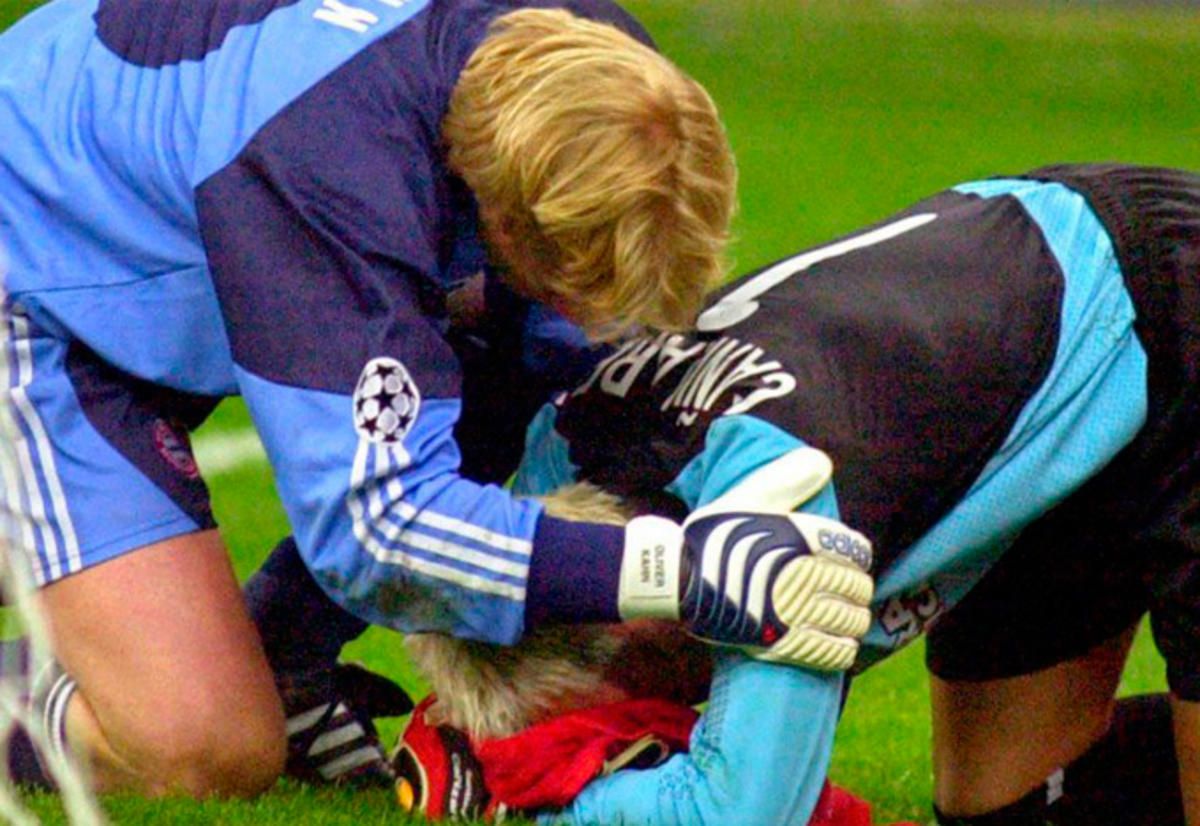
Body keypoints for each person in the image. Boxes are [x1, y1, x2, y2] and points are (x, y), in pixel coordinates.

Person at [0, 0, 876, 799]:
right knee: (206, 743)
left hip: (134, 223)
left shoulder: (599, 74)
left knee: (537, 367)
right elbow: (375, 526)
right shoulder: (332, 168)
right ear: (498, 215)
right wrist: (669, 572)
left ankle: (278, 661)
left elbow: (527, 380)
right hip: (34, 281)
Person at [397, 163, 1200, 825]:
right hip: (1048, 329)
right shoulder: (556, 462)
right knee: (1006, 811)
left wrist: (542, 808)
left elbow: (745, 815)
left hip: (1169, 303)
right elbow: (480, 613)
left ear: (633, 624)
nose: (680, 723)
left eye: (648, 709)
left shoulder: (775, 510)